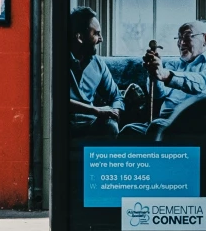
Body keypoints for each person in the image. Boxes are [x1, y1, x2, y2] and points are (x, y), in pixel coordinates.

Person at [66, 8, 160, 137]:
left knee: (110, 125)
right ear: (80, 37)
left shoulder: (98, 63)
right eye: (96, 34)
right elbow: (55, 100)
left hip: (91, 124)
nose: (101, 39)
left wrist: (115, 111)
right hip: (64, 123)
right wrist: (95, 110)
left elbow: (115, 96)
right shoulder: (55, 62)